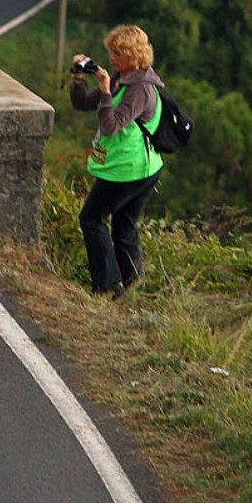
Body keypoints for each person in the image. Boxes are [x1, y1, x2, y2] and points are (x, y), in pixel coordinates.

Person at [70, 24, 165, 299]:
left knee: (91, 218)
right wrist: (79, 77)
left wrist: (106, 92)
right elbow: (83, 104)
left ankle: (108, 288)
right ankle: (133, 287)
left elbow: (111, 126)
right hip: (141, 168)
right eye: (112, 52)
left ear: (135, 56)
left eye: (119, 54)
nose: (112, 58)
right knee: (124, 226)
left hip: (130, 171)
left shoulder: (140, 89)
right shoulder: (123, 77)